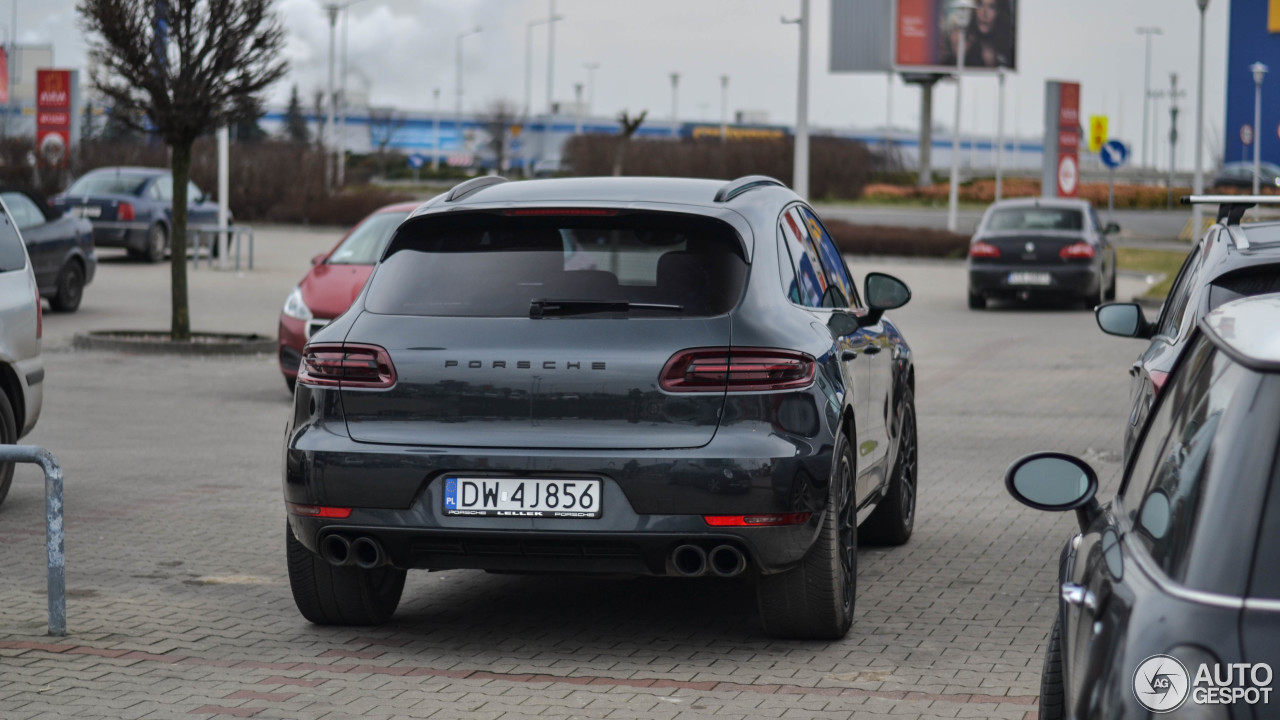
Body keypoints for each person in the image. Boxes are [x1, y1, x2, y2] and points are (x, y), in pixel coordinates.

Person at [939, 0, 1015, 69]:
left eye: (992, 7)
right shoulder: (962, 41)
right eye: (980, 5)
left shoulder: (1009, 51)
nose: (984, 13)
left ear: (999, 11)